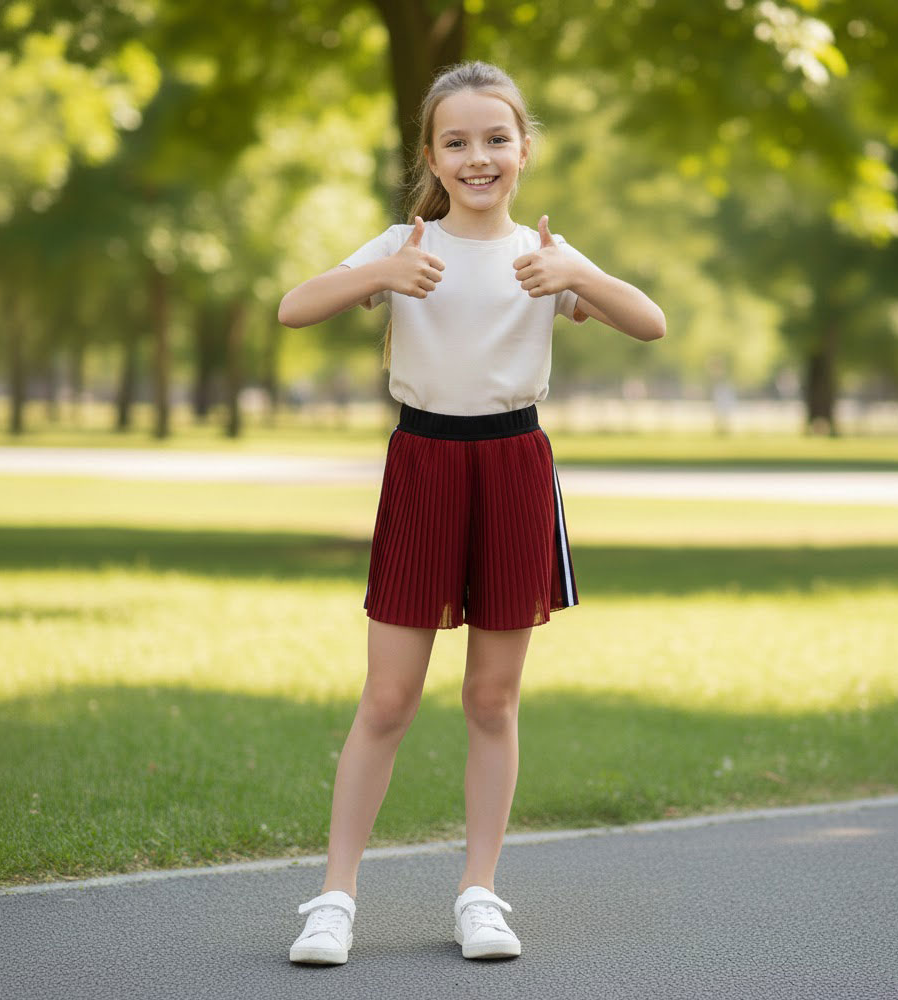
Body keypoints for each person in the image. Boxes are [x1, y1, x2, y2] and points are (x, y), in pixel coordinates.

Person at [277, 59, 665, 965]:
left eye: (497, 139)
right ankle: (334, 898)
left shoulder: (546, 252)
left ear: (524, 148)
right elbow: (295, 308)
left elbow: (648, 322)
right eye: (458, 141)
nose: (478, 156)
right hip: (423, 465)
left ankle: (479, 894)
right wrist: (386, 273)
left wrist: (577, 276)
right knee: (388, 696)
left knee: (492, 697)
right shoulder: (402, 242)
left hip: (514, 467)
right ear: (432, 154)